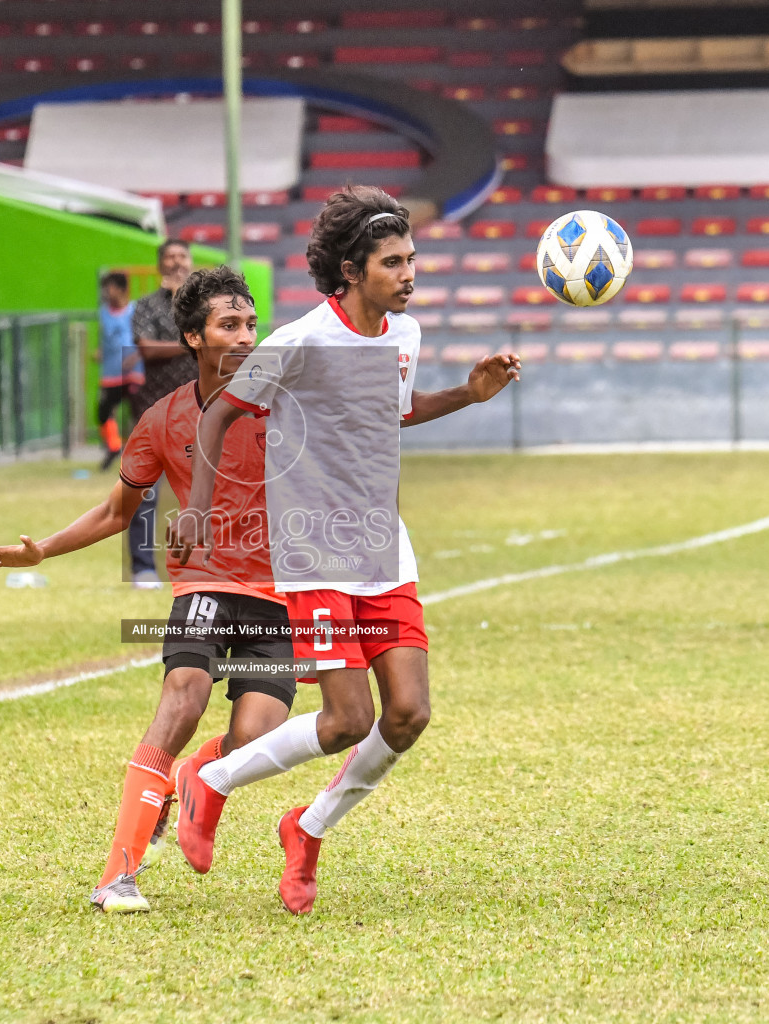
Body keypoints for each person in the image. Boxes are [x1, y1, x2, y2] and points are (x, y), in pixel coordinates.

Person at [172, 186, 520, 914]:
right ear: (353, 270)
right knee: (346, 721)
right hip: (317, 551)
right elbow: (218, 416)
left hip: (384, 551)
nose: (407, 272)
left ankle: (307, 829)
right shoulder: (300, 341)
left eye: (411, 259)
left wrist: (467, 393)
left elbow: (395, 413)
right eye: (392, 262)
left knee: (409, 715)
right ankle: (211, 778)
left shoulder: (405, 334)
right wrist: (198, 510)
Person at [0, 267, 292, 914]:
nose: (245, 336)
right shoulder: (163, 419)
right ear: (192, 338)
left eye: (251, 323)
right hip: (203, 584)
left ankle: (189, 780)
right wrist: (43, 548)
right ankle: (117, 875)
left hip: (278, 597)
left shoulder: (286, 404)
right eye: (229, 325)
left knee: (257, 739)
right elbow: (118, 512)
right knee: (183, 699)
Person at [126, 239, 198, 590]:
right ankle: (143, 569)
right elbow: (146, 348)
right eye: (168, 257)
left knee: (206, 493)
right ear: (159, 266)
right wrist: (191, 345)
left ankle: (206, 567)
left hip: (201, 413)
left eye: (181, 256)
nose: (175, 263)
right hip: (154, 414)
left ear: (191, 261)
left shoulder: (202, 306)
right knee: (142, 493)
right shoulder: (144, 306)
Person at [94, 271, 142, 472]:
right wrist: (100, 352)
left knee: (139, 413)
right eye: (104, 288)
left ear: (122, 289)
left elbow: (145, 339)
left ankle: (142, 456)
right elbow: (105, 339)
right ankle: (114, 447)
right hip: (112, 372)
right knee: (103, 411)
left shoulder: (136, 311)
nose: (106, 292)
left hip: (134, 372)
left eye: (110, 287)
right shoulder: (103, 313)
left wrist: (138, 355)